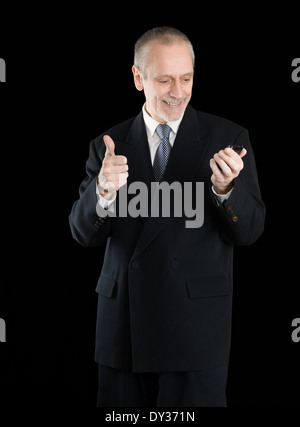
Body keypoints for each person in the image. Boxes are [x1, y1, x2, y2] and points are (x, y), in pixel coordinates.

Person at [69, 26, 265, 407]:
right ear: (138, 77)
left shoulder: (228, 138)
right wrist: (103, 194)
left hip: (195, 331)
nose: (178, 91)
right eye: (164, 79)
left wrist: (226, 191)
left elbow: (252, 231)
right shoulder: (107, 145)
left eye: (186, 78)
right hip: (124, 328)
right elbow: (81, 234)